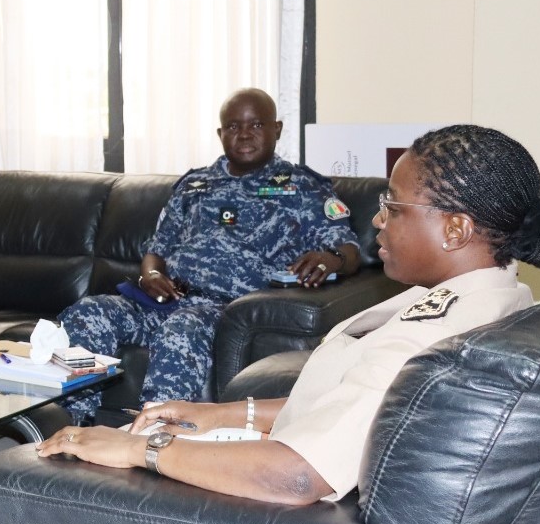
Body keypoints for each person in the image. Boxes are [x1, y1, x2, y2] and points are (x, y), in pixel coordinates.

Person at [38, 123, 540, 504]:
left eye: (393, 205)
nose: (379, 222)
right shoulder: (480, 295)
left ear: (456, 229)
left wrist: (142, 450)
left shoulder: (430, 337)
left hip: (281, 505)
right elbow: (346, 398)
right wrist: (219, 415)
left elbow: (297, 476)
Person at [57, 88, 361, 406]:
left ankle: (157, 434)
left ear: (277, 129)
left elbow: (349, 248)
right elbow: (157, 248)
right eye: (233, 127)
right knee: (87, 313)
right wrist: (150, 276)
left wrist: (333, 258)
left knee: (181, 329)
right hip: (163, 301)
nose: (243, 135)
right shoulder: (194, 185)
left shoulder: (301, 187)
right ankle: (75, 421)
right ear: (220, 133)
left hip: (225, 311)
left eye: (256, 125)